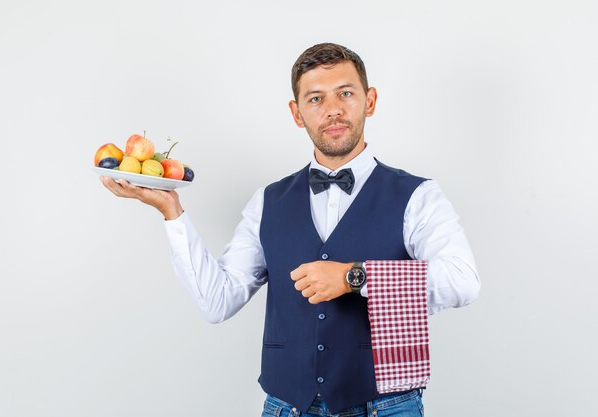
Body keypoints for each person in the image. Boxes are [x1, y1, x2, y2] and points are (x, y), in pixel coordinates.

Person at [100, 42, 480, 417]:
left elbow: (463, 281)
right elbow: (218, 302)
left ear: (370, 101)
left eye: (345, 93)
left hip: (387, 406)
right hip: (288, 407)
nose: (332, 109)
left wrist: (354, 276)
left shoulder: (419, 195)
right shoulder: (268, 201)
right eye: (315, 99)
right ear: (297, 114)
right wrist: (172, 211)